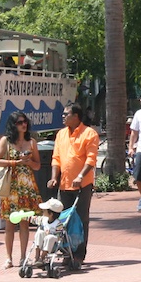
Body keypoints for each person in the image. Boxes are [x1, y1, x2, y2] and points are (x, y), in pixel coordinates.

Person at [49, 103, 99, 265]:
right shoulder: (61, 134)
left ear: (76, 116)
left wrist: (80, 176)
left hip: (82, 185)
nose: (63, 117)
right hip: (64, 185)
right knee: (64, 220)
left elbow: (91, 159)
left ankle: (78, 254)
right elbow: (56, 158)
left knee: (81, 218)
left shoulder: (89, 133)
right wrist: (54, 177)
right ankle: (66, 252)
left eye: (66, 114)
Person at [0, 111, 41, 268]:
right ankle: (8, 257)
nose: (24, 124)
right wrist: (15, 162)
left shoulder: (32, 142)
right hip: (11, 185)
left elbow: (38, 165)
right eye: (20, 122)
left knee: (24, 222)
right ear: (13, 125)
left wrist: (27, 162)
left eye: (25, 122)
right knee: (9, 222)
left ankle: (23, 257)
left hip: (27, 186)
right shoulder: (6, 141)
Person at [29, 198, 64, 267]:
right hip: (42, 242)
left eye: (44, 210)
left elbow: (59, 237)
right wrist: (24, 217)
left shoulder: (58, 224)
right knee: (39, 232)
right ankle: (37, 256)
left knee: (50, 237)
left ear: (51, 214)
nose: (43, 211)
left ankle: (42, 258)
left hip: (53, 245)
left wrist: (50, 234)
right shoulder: (43, 219)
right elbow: (34, 219)